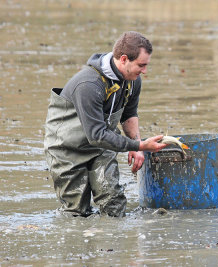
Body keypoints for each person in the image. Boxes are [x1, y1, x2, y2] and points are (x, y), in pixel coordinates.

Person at [44, 31, 167, 217]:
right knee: (76, 212)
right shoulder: (88, 84)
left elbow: (129, 114)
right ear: (124, 59)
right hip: (67, 151)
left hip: (102, 147)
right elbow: (97, 135)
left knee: (114, 204)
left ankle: (111, 245)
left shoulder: (133, 81)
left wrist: (136, 144)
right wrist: (139, 145)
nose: (144, 71)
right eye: (141, 65)